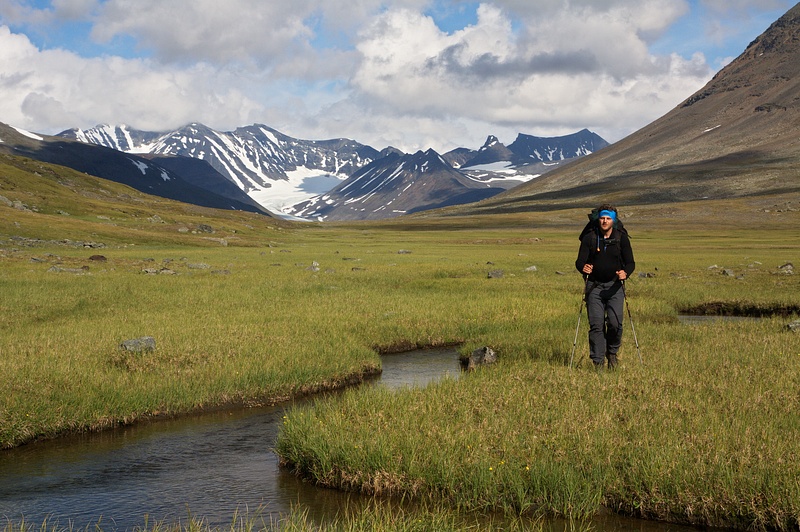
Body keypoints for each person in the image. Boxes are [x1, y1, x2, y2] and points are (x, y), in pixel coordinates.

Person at [575, 204, 635, 369]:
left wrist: (626, 273)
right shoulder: (590, 237)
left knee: (615, 324)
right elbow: (579, 261)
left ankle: (612, 353)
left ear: (613, 221)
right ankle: (598, 362)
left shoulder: (620, 238)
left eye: (608, 218)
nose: (605, 221)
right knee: (596, 324)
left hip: (615, 287)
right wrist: (583, 268)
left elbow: (630, 262)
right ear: (598, 219)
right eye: (602, 218)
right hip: (594, 287)